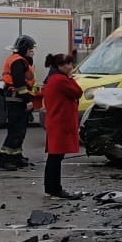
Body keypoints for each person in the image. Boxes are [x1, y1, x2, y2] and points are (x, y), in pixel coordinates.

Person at [42, 53, 83, 200]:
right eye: (69, 64)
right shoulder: (61, 80)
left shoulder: (53, 79)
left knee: (54, 157)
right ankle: (55, 189)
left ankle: (51, 188)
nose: (71, 67)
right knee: (56, 158)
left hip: (56, 121)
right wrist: (71, 78)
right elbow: (78, 92)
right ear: (61, 66)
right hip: (60, 122)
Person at [0, 35, 37, 171]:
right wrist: (27, 100)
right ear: (24, 49)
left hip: (16, 98)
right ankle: (5, 159)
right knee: (15, 130)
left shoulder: (20, 60)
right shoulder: (18, 62)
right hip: (16, 99)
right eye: (31, 49)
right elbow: (20, 84)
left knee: (20, 131)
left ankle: (16, 157)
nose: (32, 52)